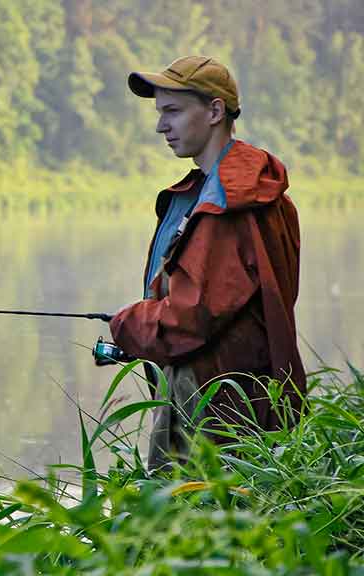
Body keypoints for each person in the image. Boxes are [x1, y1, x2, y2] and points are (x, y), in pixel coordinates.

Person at [108, 56, 306, 471]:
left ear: (215, 111)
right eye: (160, 112)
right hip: (237, 396)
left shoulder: (228, 203)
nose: (161, 126)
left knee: (184, 521)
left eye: (173, 111)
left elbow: (190, 316)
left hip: (215, 406)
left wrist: (127, 327)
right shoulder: (231, 191)